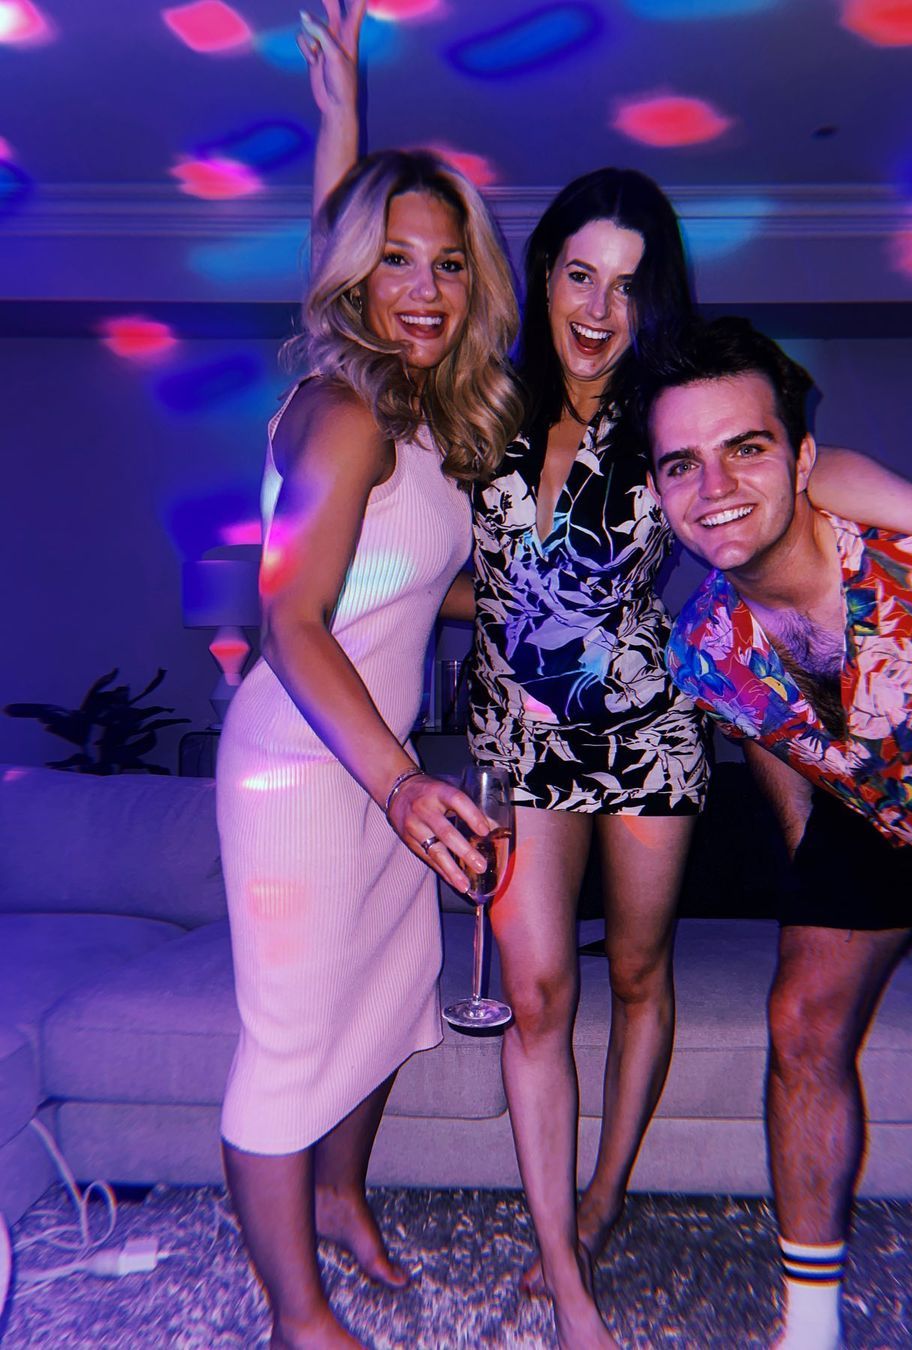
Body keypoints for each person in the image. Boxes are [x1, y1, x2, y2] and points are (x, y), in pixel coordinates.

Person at [299, 9, 912, 1348]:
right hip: (525, 737)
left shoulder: (668, 408)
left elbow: (810, 467)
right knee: (537, 995)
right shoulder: (480, 399)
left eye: (628, 283)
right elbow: (360, 306)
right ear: (542, 276)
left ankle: (608, 1188)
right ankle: (566, 1266)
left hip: (652, 731)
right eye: (578, 275)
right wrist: (342, 131)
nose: (600, 309)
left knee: (640, 972)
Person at [643, 317, 912, 1350]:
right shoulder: (701, 647)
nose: (715, 487)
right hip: (876, 810)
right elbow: (768, 734)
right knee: (801, 1020)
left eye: (746, 447)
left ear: (803, 461)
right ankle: (810, 1327)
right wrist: (807, 855)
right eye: (681, 464)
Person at [215, 145, 522, 1349]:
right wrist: (399, 784)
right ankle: (298, 1318)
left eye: (449, 263)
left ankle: (339, 1197)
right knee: (290, 1038)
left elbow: (398, 584)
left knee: (393, 995)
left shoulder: (417, 416)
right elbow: (293, 615)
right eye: (394, 260)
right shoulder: (342, 415)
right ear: (353, 275)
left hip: (377, 762)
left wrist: (524, 600)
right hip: (302, 768)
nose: (425, 289)